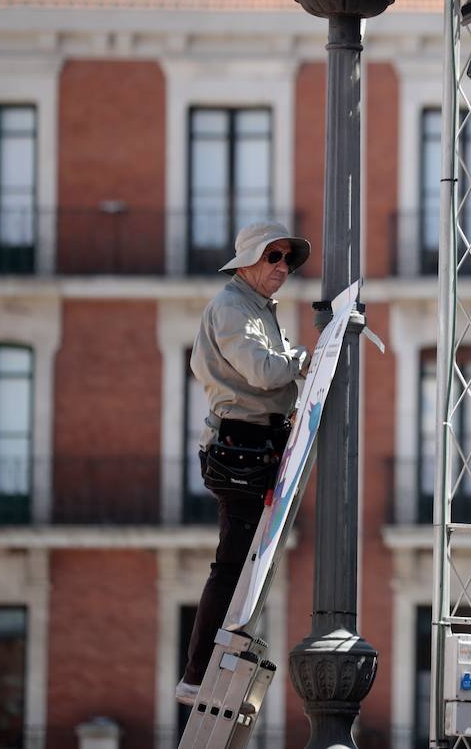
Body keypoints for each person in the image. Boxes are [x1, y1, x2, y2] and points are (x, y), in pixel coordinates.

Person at [176, 221, 312, 705]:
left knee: (244, 559)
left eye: (287, 259)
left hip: (254, 443)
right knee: (232, 563)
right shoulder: (234, 308)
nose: (282, 267)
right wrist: (303, 359)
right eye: (272, 257)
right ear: (248, 261)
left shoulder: (253, 307)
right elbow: (264, 370)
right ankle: (197, 675)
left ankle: (214, 660)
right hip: (241, 447)